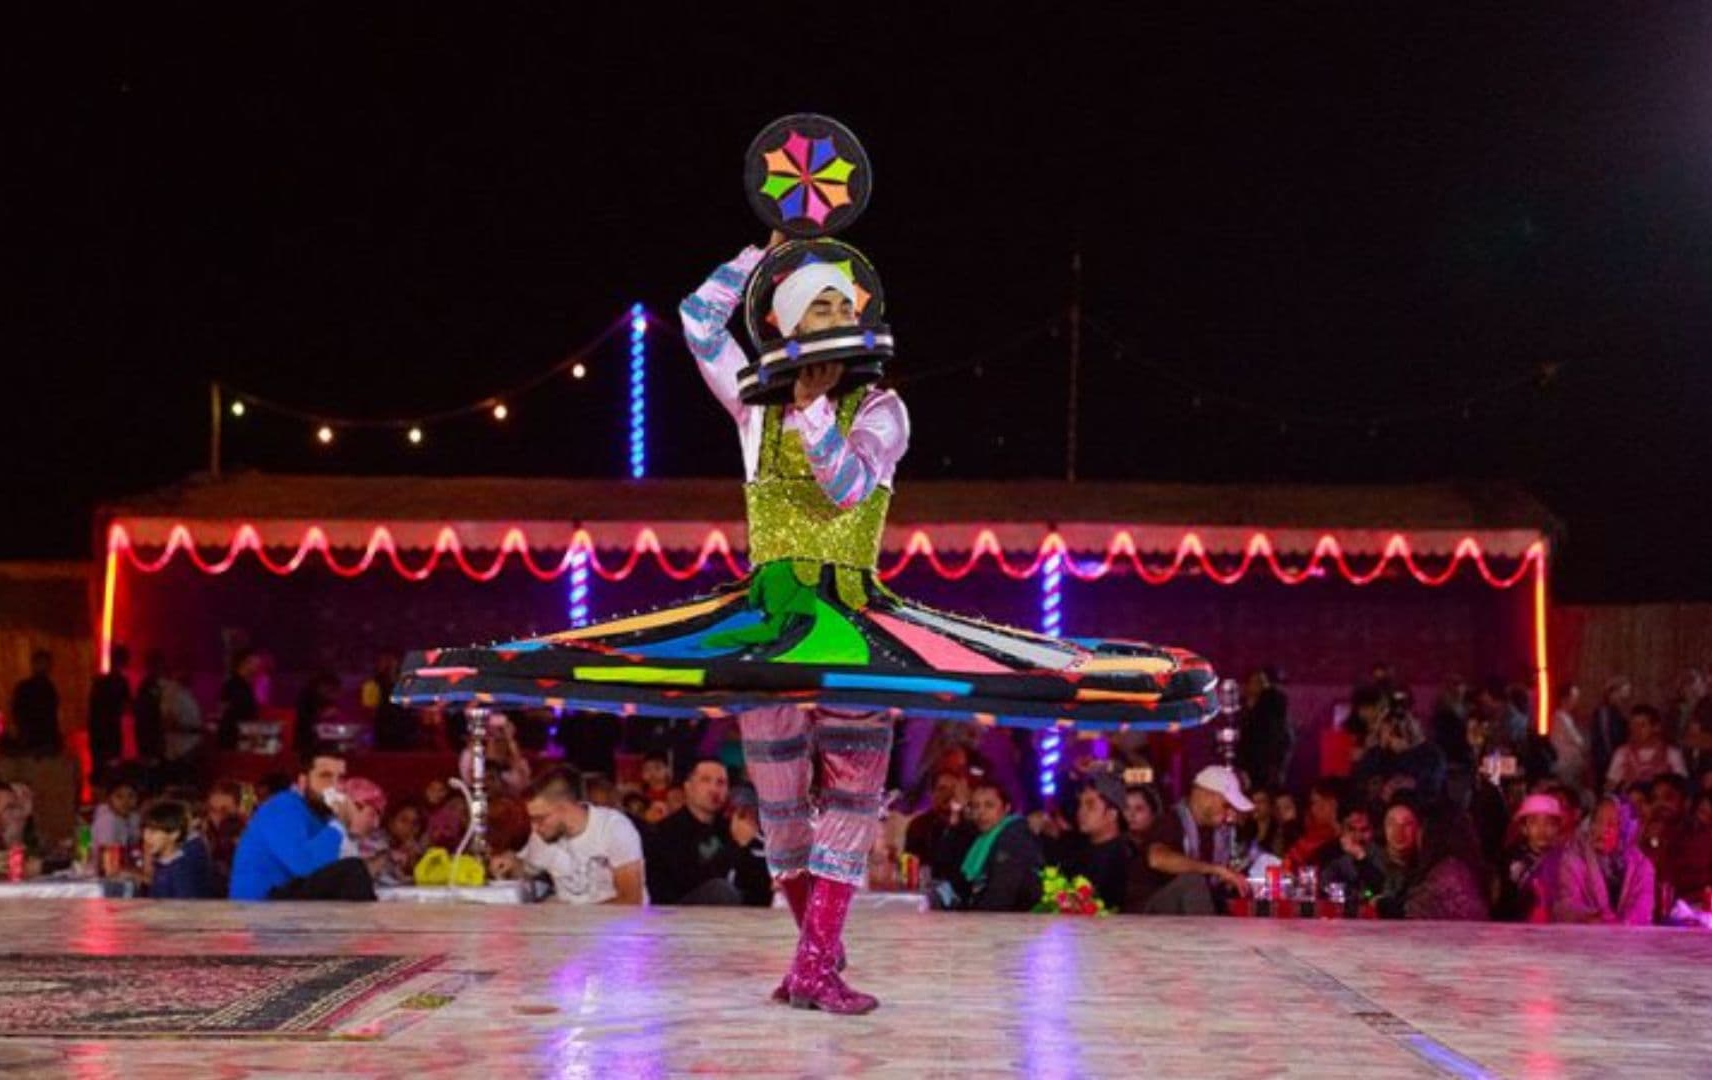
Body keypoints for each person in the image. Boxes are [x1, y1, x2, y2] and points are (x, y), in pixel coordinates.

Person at [393, 225, 1215, 1017]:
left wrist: (820, 413)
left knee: (851, 805)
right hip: (768, 625)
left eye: (837, 304)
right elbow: (697, 320)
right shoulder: (756, 414)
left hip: (856, 622)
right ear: (782, 323)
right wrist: (771, 250)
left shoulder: (883, 410)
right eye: (812, 306)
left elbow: (850, 490)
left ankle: (815, 964)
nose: (831, 318)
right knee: (782, 815)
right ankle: (813, 959)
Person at [228, 747, 374, 901]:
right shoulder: (283, 807)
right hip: (260, 906)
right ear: (303, 781)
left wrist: (352, 832)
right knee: (351, 870)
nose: (335, 786)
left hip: (287, 903)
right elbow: (304, 866)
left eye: (341, 779)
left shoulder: (322, 815)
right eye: (325, 776)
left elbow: (331, 867)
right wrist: (341, 825)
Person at [492, 764, 645, 905]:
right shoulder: (541, 836)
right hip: (566, 927)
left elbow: (630, 901)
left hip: (617, 929)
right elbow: (526, 869)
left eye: (540, 818)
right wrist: (510, 865)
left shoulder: (614, 828)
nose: (535, 827)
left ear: (565, 808)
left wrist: (577, 920)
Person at [645, 759, 771, 905]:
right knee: (720, 891)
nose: (714, 789)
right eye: (705, 780)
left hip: (737, 917)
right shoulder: (666, 831)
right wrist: (736, 844)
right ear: (688, 787)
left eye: (721, 783)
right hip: (678, 915)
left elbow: (754, 878)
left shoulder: (729, 826)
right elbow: (690, 882)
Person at [1130, 766, 1253, 914]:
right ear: (1206, 796)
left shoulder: (1216, 832)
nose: (1230, 814)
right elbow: (1156, 859)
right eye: (1226, 805)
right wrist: (1216, 870)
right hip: (1147, 913)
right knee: (1193, 881)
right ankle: (1206, 936)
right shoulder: (1170, 821)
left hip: (1181, 915)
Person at [932, 778, 1042, 912]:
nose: (981, 812)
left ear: (1006, 808)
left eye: (989, 805)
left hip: (1013, 925)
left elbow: (1000, 897)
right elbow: (943, 866)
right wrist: (955, 821)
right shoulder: (983, 838)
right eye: (976, 806)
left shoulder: (1014, 838)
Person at [1374, 798, 1488, 921]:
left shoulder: (1448, 873)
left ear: (1433, 834)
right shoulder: (1456, 867)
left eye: (1410, 825)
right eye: (1392, 824)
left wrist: (1380, 906)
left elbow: (1415, 913)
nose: (1398, 832)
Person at [1549, 794, 1654, 925]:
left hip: (1629, 940)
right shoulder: (1573, 859)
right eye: (1597, 821)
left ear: (1625, 830)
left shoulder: (1641, 865)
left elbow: (1642, 909)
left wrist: (1621, 927)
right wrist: (1593, 918)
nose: (1601, 829)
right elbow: (1565, 905)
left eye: (1611, 824)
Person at [1639, 772, 1712, 907]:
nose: (1660, 804)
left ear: (1686, 803)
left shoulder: (1705, 840)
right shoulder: (1645, 839)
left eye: (1668, 797)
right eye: (1655, 799)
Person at [1492, 793, 1565, 922]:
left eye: (1549, 824)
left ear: (1557, 828)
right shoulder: (1510, 858)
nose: (1541, 830)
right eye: (1534, 823)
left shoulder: (1564, 859)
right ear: (1524, 828)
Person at [1062, 773, 1128, 911]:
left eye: (1090, 806)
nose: (1081, 812)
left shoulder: (1125, 858)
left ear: (1112, 814)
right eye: (1080, 804)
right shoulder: (1076, 849)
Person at [142, 799, 217, 898]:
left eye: (153, 832)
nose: (146, 837)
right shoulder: (165, 864)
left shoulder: (180, 870)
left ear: (174, 834)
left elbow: (183, 908)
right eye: (145, 830)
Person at [1606, 705, 1685, 792]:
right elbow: (1610, 787)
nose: (1636, 729)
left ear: (1656, 727)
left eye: (1642, 725)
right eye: (1633, 724)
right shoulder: (1622, 753)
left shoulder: (1672, 753)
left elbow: (1682, 787)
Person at [1238, 666, 1292, 792]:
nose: (1260, 685)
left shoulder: (1270, 710)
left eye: (1261, 682)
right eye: (1255, 681)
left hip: (1265, 769)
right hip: (1244, 770)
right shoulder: (1239, 711)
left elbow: (1279, 739)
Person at [5, 649, 62, 757]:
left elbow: (52, 714)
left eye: (46, 664)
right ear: (34, 665)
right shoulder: (26, 687)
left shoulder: (49, 688)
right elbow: (17, 711)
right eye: (41, 663)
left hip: (44, 738)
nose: (44, 667)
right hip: (31, 737)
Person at [87, 644, 133, 774]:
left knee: (98, 767)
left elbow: (92, 706)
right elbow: (126, 707)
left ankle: (98, 791)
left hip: (97, 731)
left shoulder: (99, 681)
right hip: (112, 730)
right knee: (113, 768)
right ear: (124, 662)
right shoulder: (121, 682)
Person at [1547, 683, 1590, 792]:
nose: (1576, 701)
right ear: (1565, 699)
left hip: (1572, 765)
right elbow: (1578, 742)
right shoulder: (1561, 718)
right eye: (1574, 698)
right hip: (1566, 765)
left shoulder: (1566, 717)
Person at [218, 649, 263, 751]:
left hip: (239, 738)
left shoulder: (244, 685)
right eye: (254, 663)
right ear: (244, 664)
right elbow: (241, 714)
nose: (257, 667)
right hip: (235, 740)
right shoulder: (235, 686)